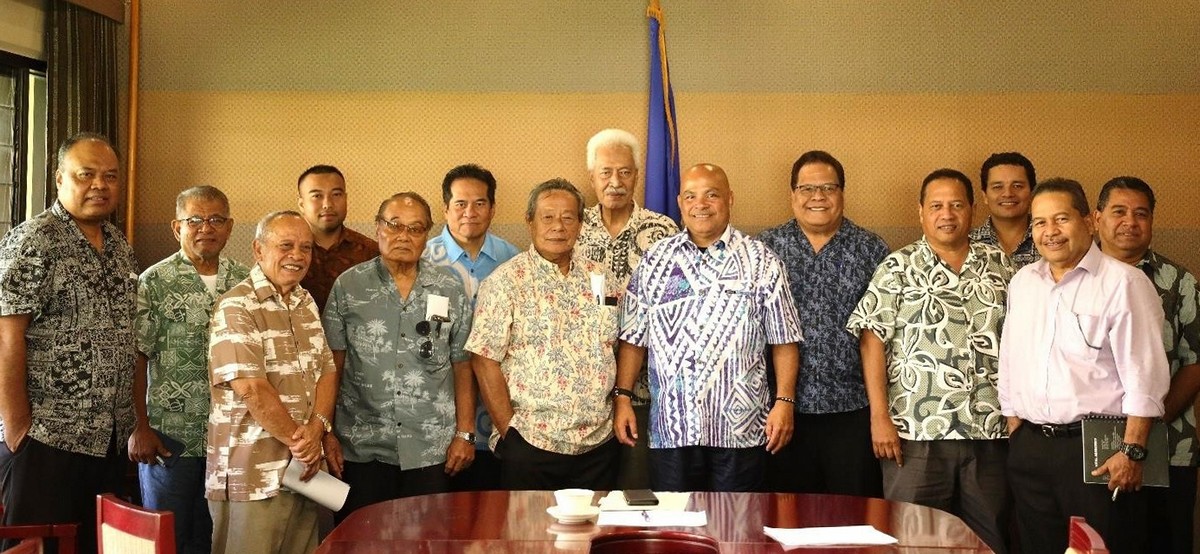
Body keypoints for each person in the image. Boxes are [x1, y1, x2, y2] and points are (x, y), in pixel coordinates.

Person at [846, 168, 1013, 553]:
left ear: (973, 209)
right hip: (915, 433)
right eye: (936, 205)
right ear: (921, 212)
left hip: (990, 430)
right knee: (912, 540)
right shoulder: (897, 267)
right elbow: (872, 342)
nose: (947, 214)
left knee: (989, 540)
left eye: (956, 204)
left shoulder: (1003, 267)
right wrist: (879, 417)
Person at [999, 178, 1168, 554]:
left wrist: (1133, 451)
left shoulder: (1124, 282)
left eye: (1061, 219)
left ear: (1089, 221)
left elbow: (1145, 376)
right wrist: (1015, 423)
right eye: (1040, 223)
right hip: (1031, 449)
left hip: (1099, 451)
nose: (1050, 232)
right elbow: (1010, 355)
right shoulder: (1024, 282)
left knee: (1100, 547)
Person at [614, 163, 803, 492]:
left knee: (735, 533)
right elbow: (633, 337)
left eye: (711, 195)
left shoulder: (762, 261)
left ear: (729, 199)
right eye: (691, 196)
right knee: (674, 533)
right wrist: (623, 398)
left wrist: (784, 402)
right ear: (680, 202)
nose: (700, 204)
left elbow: (784, 340)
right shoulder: (655, 261)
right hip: (672, 428)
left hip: (741, 429)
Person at [0, 133, 138, 554]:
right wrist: (17, 427)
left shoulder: (119, 247)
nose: (100, 184)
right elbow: (7, 335)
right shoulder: (33, 240)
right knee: (39, 548)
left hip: (110, 440)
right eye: (87, 174)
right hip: (48, 437)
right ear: (60, 178)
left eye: (110, 176)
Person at [323, 192, 474, 521]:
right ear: (378, 228)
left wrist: (465, 432)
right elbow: (331, 366)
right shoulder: (349, 286)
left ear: (427, 235)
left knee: (427, 542)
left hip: (431, 445)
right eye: (394, 225)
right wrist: (327, 431)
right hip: (362, 444)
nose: (403, 236)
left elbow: (462, 363)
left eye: (416, 228)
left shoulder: (449, 286)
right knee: (361, 541)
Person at [465, 179, 619, 490]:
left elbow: (617, 343)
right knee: (531, 538)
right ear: (530, 221)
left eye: (568, 217)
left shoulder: (603, 278)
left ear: (580, 224)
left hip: (599, 444)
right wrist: (511, 433)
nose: (558, 227)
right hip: (532, 444)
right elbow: (483, 360)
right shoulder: (505, 282)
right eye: (547, 217)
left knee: (593, 536)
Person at [205, 211, 337, 554]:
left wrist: (318, 429)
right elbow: (251, 388)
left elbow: (327, 370)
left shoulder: (304, 301)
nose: (297, 256)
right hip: (251, 474)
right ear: (258, 250)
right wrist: (303, 442)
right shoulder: (237, 304)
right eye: (286, 246)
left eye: (305, 248)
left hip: (302, 474)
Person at [759, 150, 889, 497]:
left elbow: (881, 336)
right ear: (792, 194)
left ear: (842, 193)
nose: (817, 197)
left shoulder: (872, 250)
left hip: (852, 411)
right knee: (786, 518)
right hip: (781, 411)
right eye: (807, 189)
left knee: (852, 518)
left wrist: (880, 414)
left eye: (828, 188)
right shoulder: (765, 249)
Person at [129, 185, 249, 553]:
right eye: (194, 219)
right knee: (168, 537)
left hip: (232, 437)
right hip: (170, 436)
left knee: (216, 538)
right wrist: (141, 426)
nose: (205, 228)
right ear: (176, 227)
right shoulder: (154, 280)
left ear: (229, 227)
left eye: (215, 220)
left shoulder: (245, 281)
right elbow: (137, 356)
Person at [1093, 176, 1199, 554]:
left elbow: (1195, 361)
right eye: (1119, 212)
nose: (1130, 222)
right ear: (1097, 217)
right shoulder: (1071, 277)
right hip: (1090, 450)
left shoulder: (1179, 281)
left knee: (1164, 541)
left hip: (1170, 445)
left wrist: (1151, 424)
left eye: (1141, 214)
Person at [576, 128, 678, 490]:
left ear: (637, 175)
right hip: (584, 390)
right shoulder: (573, 228)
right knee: (591, 499)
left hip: (647, 390)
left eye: (625, 172)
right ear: (591, 177)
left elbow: (677, 308)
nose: (615, 182)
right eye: (606, 172)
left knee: (639, 492)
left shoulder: (663, 230)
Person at [423, 164, 520, 491]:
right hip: (440, 417)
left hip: (498, 415)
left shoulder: (513, 260)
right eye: (460, 204)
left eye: (480, 203)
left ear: (492, 208)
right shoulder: (424, 259)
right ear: (446, 207)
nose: (470, 213)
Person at [296, 165, 377, 312]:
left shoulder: (370, 253)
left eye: (336, 194)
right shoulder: (285, 253)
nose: (327, 204)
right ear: (302, 204)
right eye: (317, 196)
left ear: (346, 199)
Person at [969, 152, 1040, 269]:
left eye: (1017, 186)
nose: (1008, 194)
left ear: (1032, 193)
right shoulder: (968, 244)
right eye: (997, 187)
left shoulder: (1050, 238)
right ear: (985, 196)